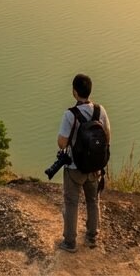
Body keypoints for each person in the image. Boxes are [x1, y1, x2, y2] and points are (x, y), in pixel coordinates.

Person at [57, 73, 111, 253]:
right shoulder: (100, 110)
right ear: (90, 90)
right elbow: (107, 136)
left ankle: (70, 242)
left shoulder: (70, 114)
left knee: (72, 202)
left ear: (74, 92)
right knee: (93, 200)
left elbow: (62, 143)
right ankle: (91, 237)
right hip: (95, 166)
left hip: (75, 167)